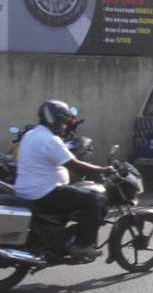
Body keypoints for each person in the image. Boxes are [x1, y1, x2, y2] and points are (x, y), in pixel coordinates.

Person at [15, 101, 115, 259]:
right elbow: (75, 165)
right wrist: (103, 169)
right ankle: (82, 245)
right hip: (45, 192)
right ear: (55, 120)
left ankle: (62, 238)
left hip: (26, 190)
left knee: (76, 195)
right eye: (63, 122)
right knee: (94, 199)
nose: (64, 127)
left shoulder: (31, 134)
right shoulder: (49, 139)